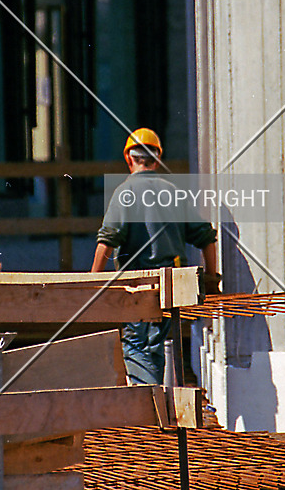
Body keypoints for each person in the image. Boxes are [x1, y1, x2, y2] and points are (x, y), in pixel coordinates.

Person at [91, 128, 220, 384]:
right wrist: (211, 276)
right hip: (173, 288)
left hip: (137, 290)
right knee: (159, 347)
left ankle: (151, 413)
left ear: (129, 158)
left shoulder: (124, 193)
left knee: (138, 349)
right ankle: (162, 409)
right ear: (157, 159)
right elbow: (206, 237)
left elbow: (106, 242)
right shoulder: (173, 192)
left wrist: (92, 282)